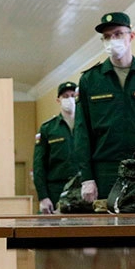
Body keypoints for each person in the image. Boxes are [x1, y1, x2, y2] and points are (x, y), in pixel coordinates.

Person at [73, 13, 135, 202]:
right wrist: (86, 178)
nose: (112, 40)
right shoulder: (90, 80)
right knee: (107, 220)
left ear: (131, 36)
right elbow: (82, 132)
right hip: (105, 170)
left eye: (118, 34)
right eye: (107, 37)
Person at [33, 81, 79, 214]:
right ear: (58, 100)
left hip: (82, 187)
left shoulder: (86, 125)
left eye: (72, 95)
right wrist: (43, 197)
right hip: (56, 189)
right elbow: (39, 165)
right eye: (65, 96)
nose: (70, 99)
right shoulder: (48, 128)